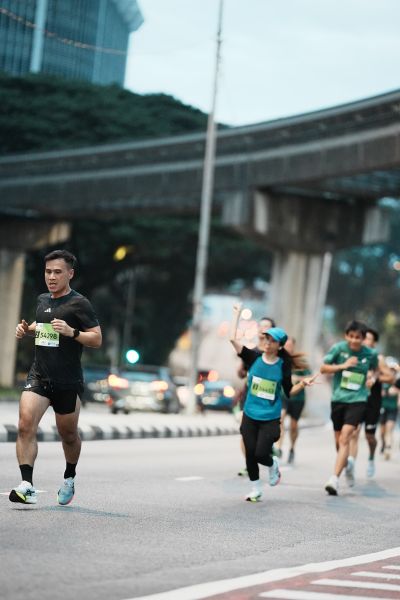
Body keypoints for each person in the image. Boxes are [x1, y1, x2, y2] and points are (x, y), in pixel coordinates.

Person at [10, 249, 102, 505]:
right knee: (25, 425)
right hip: (39, 377)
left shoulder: (80, 303)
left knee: (68, 435)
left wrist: (73, 332)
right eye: (48, 271)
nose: (51, 277)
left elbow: (96, 338)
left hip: (67, 381)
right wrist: (26, 330)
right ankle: (27, 485)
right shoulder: (42, 300)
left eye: (57, 272)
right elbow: (43, 327)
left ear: (70, 274)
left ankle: (69, 477)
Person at [230, 304, 317, 502]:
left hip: (269, 417)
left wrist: (302, 384)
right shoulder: (253, 357)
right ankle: (255, 488)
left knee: (261, 454)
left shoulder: (283, 366)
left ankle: (272, 465)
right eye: (266, 339)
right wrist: (236, 315)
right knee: (250, 453)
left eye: (272, 341)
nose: (267, 343)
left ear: (280, 346)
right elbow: (232, 339)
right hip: (250, 414)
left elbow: (289, 391)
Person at [321, 320, 378, 496]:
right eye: (351, 336)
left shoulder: (370, 354)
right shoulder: (338, 349)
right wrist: (343, 366)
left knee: (346, 437)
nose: (354, 340)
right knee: (339, 442)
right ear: (346, 336)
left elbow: (374, 370)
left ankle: (334, 479)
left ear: (363, 338)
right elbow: (323, 368)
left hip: (358, 400)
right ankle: (347, 466)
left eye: (358, 337)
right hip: (338, 399)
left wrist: (372, 378)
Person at [345, 328, 392, 483]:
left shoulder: (378, 358)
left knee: (370, 437)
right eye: (363, 338)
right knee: (354, 432)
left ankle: (371, 457)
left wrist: (375, 378)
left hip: (373, 402)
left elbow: (390, 378)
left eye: (368, 339)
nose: (365, 341)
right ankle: (351, 463)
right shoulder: (356, 355)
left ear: (374, 343)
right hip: (357, 399)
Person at [235, 314, 276, 477]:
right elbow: (240, 374)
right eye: (261, 326)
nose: (263, 329)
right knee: (245, 432)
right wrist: (243, 367)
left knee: (261, 437)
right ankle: (249, 464)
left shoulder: (277, 355)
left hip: (267, 400)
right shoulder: (251, 352)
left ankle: (267, 447)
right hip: (249, 397)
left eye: (267, 327)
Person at [275, 336, 311, 464]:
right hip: (283, 396)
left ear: (294, 346)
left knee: (293, 426)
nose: (287, 348)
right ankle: (278, 448)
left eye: (290, 346)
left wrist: (297, 379)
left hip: (298, 398)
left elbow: (310, 376)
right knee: (280, 419)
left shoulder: (300, 360)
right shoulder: (278, 359)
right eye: (285, 345)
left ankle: (292, 448)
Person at [379, 367, 400, 460]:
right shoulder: (383, 382)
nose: (392, 372)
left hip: (393, 409)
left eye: (394, 371)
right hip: (383, 408)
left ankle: (388, 447)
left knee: (389, 429)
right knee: (382, 431)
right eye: (391, 370)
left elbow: (397, 393)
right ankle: (384, 444)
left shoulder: (397, 382)